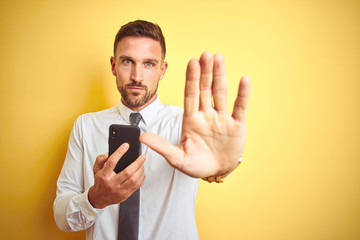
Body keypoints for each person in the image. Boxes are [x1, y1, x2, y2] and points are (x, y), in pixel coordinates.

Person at [53, 20, 250, 240]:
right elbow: (61, 217)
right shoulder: (86, 126)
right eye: (127, 61)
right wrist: (95, 199)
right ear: (113, 65)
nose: (137, 76)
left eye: (149, 64)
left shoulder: (186, 124)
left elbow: (213, 164)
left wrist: (225, 166)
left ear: (162, 70)